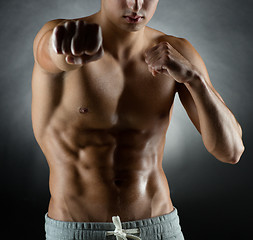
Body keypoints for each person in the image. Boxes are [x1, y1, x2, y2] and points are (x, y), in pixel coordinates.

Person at [32, 0, 245, 239]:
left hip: (159, 228)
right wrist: (62, 48)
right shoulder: (60, 35)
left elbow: (231, 151)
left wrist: (194, 79)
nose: (136, 4)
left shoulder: (176, 51)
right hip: (77, 231)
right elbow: (50, 51)